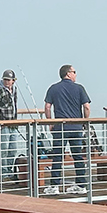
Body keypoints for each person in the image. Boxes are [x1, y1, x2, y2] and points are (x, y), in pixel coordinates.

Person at [43, 65, 91, 195]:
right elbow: (87, 107)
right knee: (78, 156)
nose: (75, 74)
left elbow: (47, 107)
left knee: (58, 157)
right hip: (76, 127)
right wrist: (84, 121)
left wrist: (50, 122)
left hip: (60, 127)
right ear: (68, 73)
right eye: (74, 72)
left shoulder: (53, 88)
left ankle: (54, 186)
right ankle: (81, 185)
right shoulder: (79, 88)